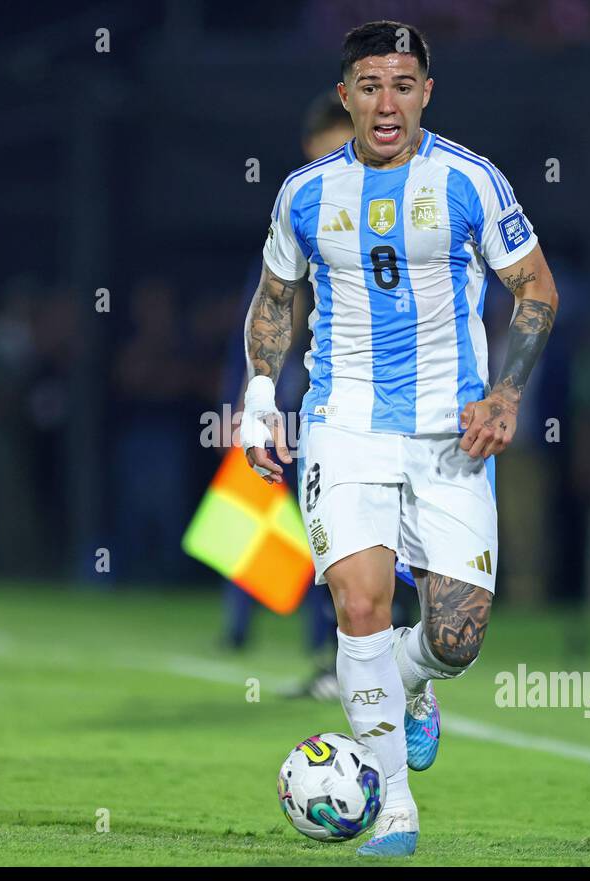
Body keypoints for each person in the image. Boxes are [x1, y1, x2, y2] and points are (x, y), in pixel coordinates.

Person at [240, 21, 559, 856]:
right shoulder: (305, 194)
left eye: (404, 84)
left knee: (456, 638)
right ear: (346, 95)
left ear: (426, 93)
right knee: (361, 604)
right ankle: (395, 811)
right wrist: (259, 396)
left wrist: (507, 391)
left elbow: (533, 288)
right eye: (371, 85)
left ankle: (413, 689)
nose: (388, 103)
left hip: (450, 433)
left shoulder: (470, 181)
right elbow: (276, 300)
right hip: (344, 426)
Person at [219, 92, 354, 700]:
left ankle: (357, 657)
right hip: (301, 398)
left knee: (344, 532)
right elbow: (276, 310)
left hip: (360, 401)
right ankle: (264, 631)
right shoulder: (302, 214)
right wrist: (253, 397)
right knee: (281, 515)